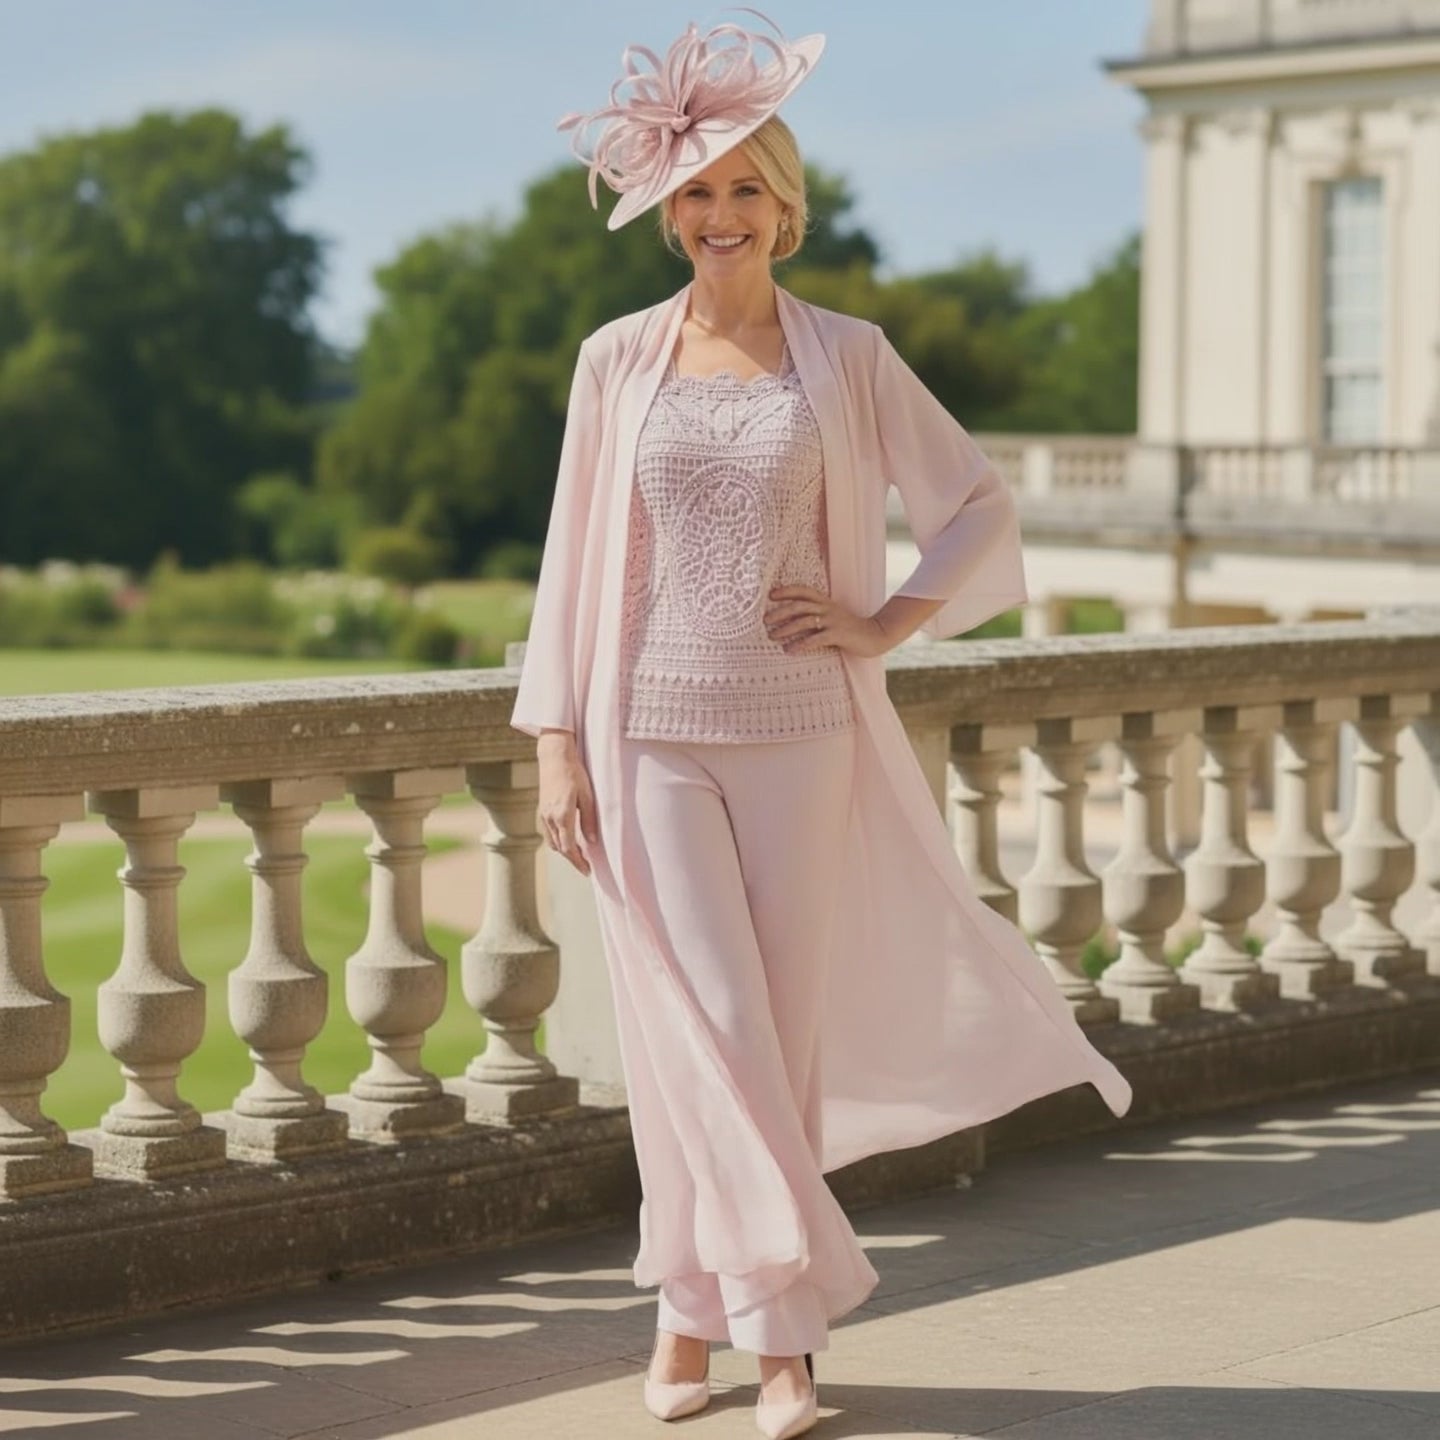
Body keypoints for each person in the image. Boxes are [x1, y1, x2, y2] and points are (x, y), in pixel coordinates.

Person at [512, 14, 1132, 1438]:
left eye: (746, 189)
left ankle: (690, 1320)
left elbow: (975, 502)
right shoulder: (616, 360)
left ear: (785, 208)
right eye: (697, 192)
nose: (719, 215)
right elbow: (568, 558)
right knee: (703, 1031)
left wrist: (884, 621)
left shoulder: (847, 356)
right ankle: (782, 1343)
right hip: (647, 734)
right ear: (668, 210)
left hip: (804, 732)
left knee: (771, 1040)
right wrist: (553, 740)